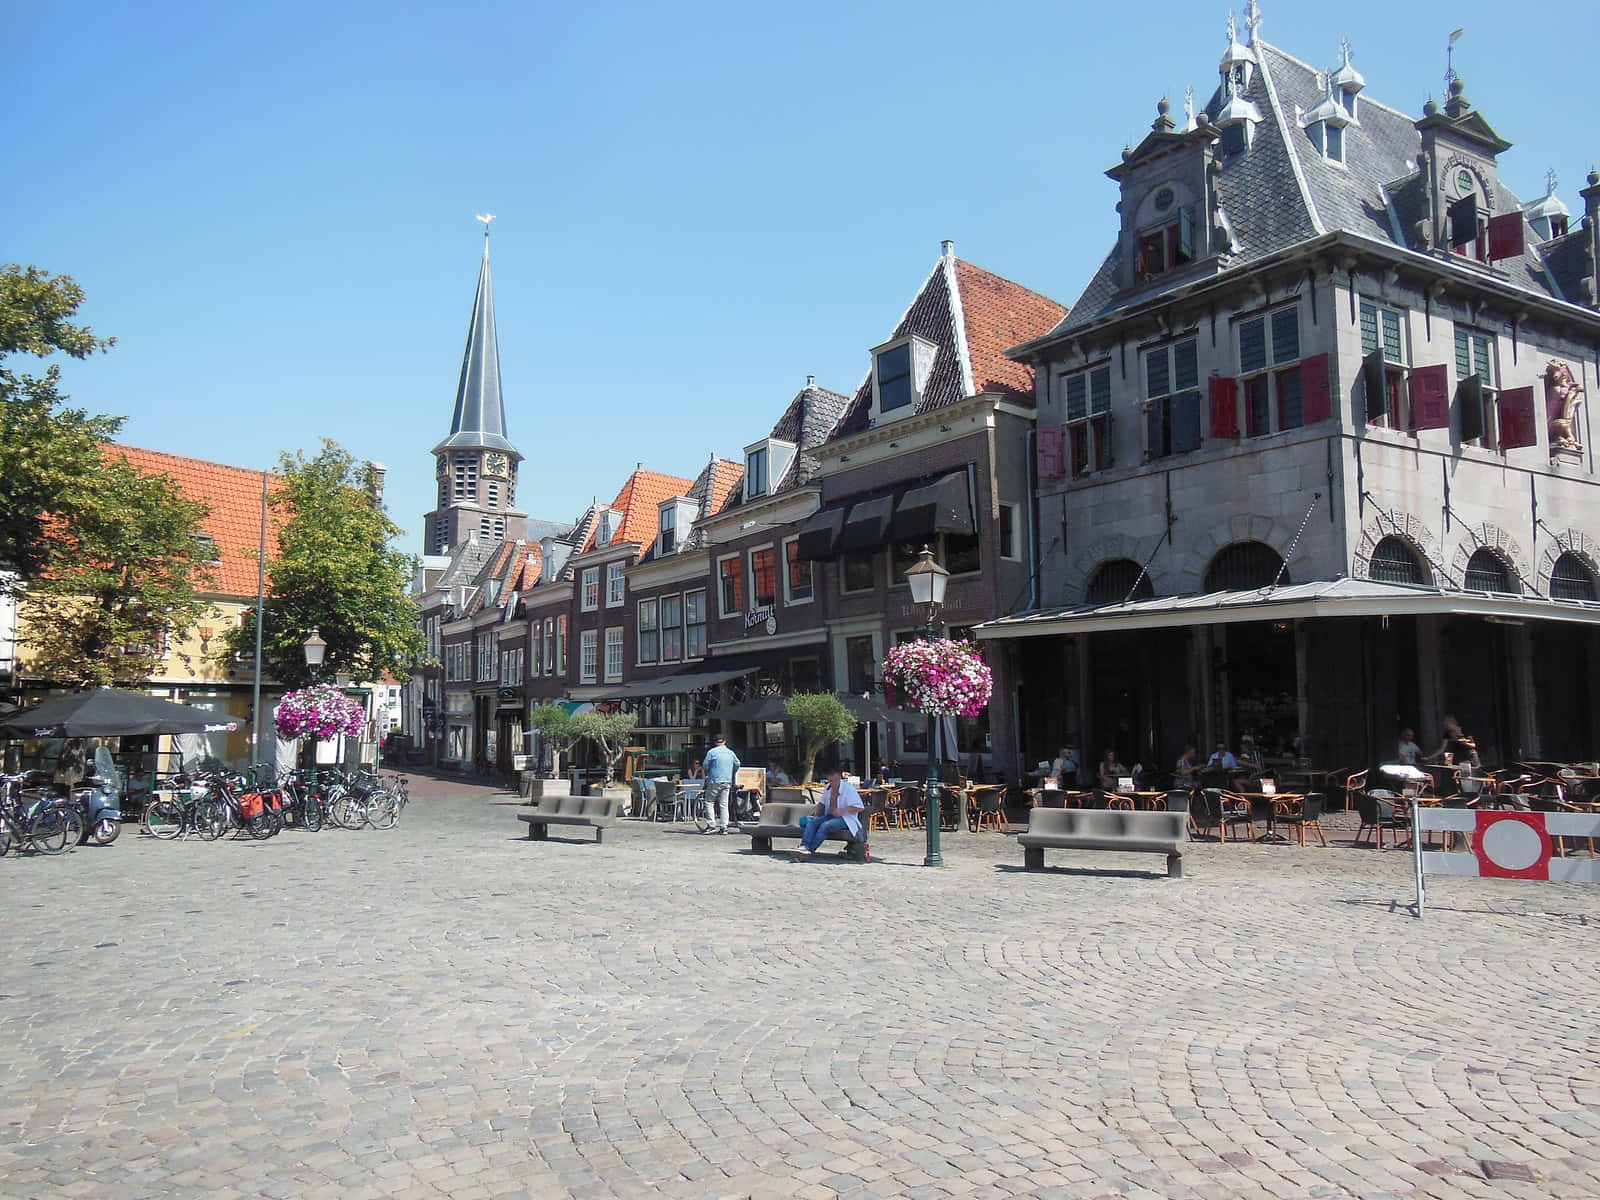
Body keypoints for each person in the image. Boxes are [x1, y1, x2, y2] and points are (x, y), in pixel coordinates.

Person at [795, 767, 864, 860]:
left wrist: (842, 811)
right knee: (812, 823)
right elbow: (822, 804)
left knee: (825, 826)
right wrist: (816, 813)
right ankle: (804, 846)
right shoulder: (828, 788)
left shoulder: (848, 789)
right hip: (830, 816)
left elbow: (859, 807)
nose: (832, 783)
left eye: (834, 780)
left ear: (839, 777)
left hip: (846, 819)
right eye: (830, 781)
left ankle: (810, 850)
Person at [700, 734, 740, 834]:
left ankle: (711, 825)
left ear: (715, 742)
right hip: (727, 780)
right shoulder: (730, 752)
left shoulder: (712, 752)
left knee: (709, 802)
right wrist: (732, 772)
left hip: (715, 780)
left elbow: (705, 765)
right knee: (724, 804)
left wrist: (709, 772)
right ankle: (724, 827)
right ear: (725, 742)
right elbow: (737, 764)